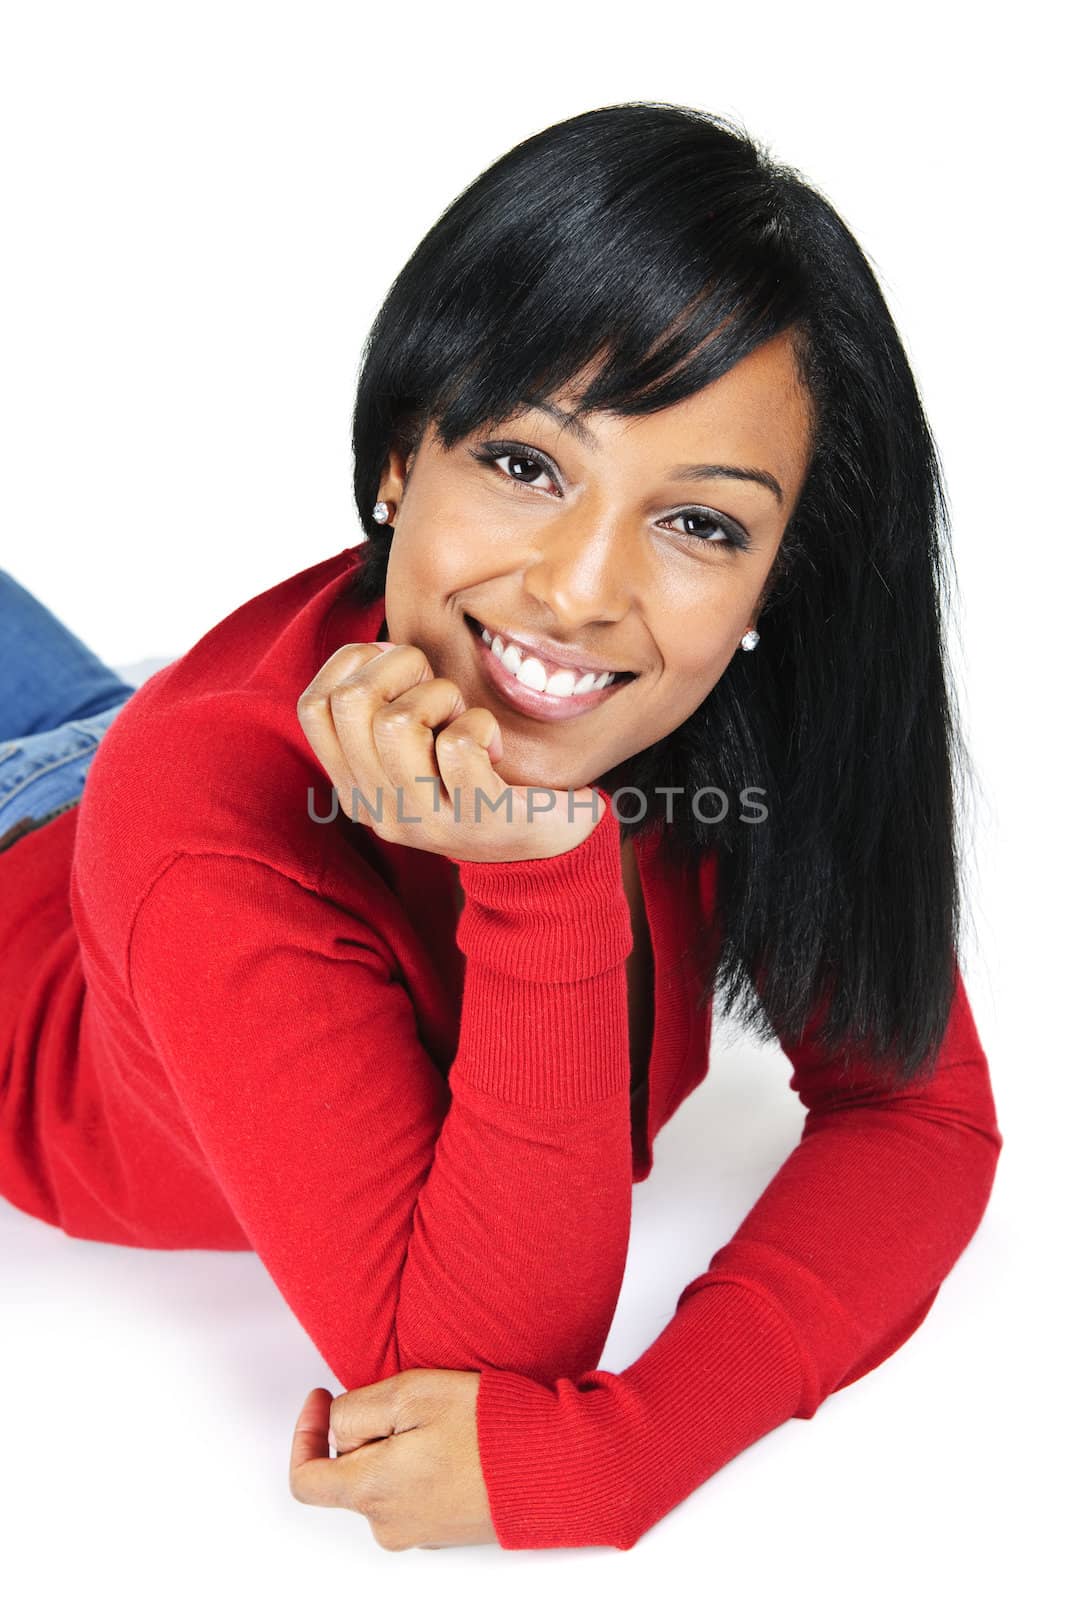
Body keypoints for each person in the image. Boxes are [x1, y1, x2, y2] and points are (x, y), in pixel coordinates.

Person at [0, 100, 1003, 1554]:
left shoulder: (729, 708)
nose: (581, 589)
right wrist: (543, 880)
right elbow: (470, 1373)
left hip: (100, 736)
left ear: (781, 577)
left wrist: (636, 1450)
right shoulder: (217, 826)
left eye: (701, 523)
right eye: (527, 464)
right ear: (405, 452)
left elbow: (923, 1110)